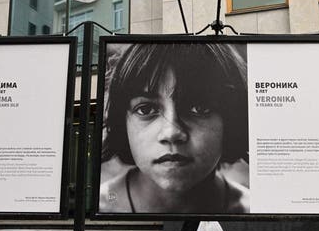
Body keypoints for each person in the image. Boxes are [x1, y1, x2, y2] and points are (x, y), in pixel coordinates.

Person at [99, 42, 250, 214]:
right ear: (122, 123)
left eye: (199, 108)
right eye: (146, 109)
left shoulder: (253, 210)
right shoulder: (99, 208)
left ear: (231, 119)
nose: (171, 133)